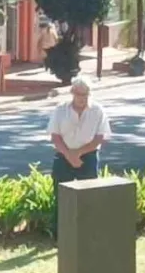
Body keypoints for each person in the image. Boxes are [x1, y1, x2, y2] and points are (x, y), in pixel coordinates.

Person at [47, 76, 111, 236]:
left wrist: (79, 153)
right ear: (72, 93)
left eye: (86, 94)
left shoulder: (98, 110)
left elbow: (100, 137)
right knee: (61, 197)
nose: (82, 98)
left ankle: (88, 233)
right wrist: (69, 155)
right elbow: (55, 136)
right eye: (79, 94)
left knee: (89, 197)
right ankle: (59, 234)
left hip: (88, 157)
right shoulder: (60, 110)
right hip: (63, 156)